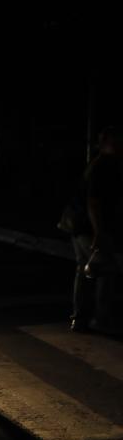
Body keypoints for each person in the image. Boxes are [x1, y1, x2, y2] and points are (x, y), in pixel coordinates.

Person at [82, 126, 123, 334]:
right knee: (105, 272)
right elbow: (94, 202)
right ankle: (100, 318)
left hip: (81, 224)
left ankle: (81, 317)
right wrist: (99, 231)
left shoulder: (101, 164)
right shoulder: (103, 166)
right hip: (89, 225)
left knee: (86, 270)